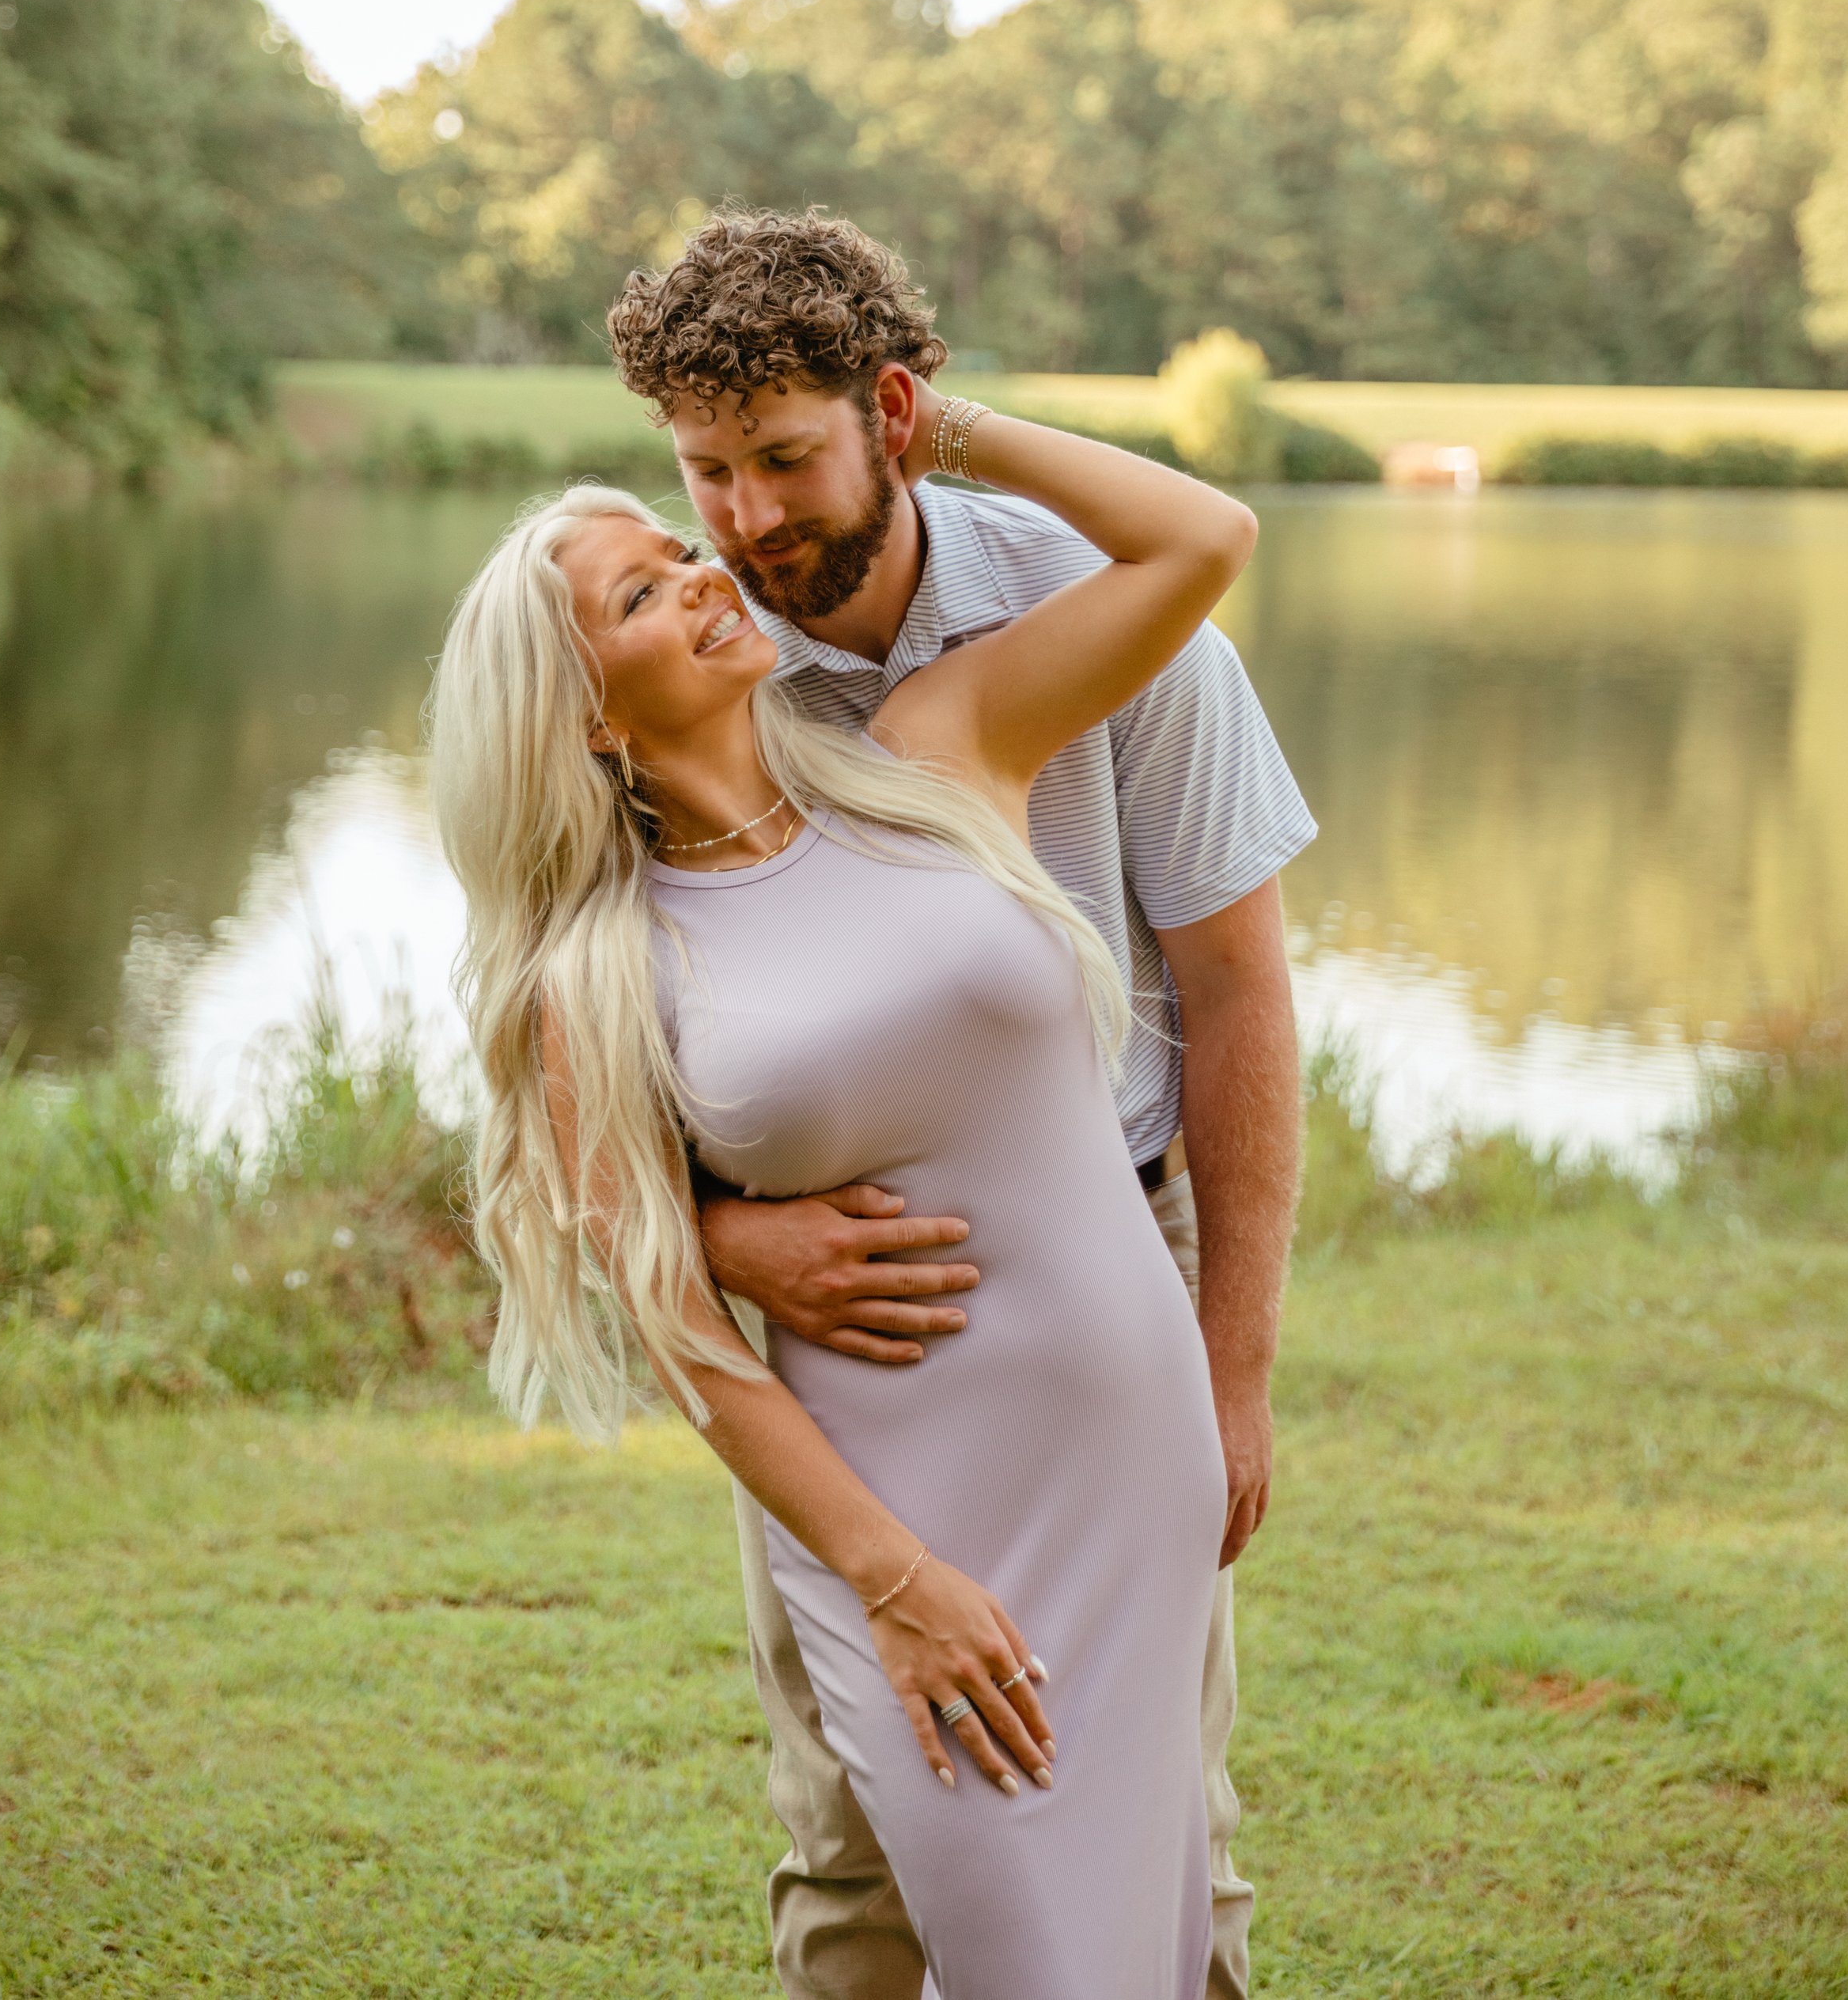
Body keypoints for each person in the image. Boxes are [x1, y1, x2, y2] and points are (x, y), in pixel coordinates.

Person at [430, 351, 1265, 2000]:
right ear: (584, 715)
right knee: (996, 1934)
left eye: (678, 557)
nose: (706, 568)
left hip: (1124, 1455)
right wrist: (893, 1581)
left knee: (1165, 1923)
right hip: (889, 1497)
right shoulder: (595, 976)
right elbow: (671, 1323)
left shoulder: (933, 747)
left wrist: (923, 430)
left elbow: (1198, 538)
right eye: (640, 594)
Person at [607, 211, 1316, 2000]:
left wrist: (1229, 1367)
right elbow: (602, 1059)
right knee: (854, 1840)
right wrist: (717, 1230)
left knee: (1160, 1819)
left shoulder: (1089, 623)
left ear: (894, 413)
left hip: (1107, 1277)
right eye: (705, 473)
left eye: (783, 458)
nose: (744, 525)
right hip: (855, 1307)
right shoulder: (665, 680)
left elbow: (1234, 999)